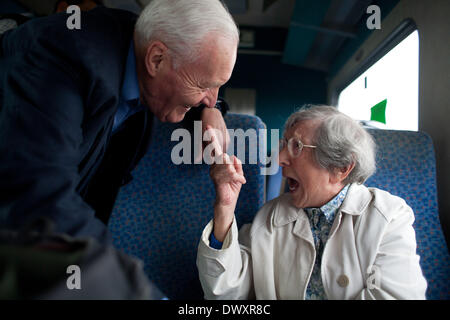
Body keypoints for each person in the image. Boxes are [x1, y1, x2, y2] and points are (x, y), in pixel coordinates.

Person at [0, 0, 239, 243]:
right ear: (156, 60)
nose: (211, 100)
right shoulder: (62, 58)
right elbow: (41, 197)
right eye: (205, 85)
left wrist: (212, 110)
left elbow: (190, 75)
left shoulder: (145, 48)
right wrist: (120, 278)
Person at [197, 105, 427, 300]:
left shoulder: (389, 217)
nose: (279, 159)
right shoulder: (270, 217)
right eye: (284, 143)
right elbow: (227, 293)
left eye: (296, 146)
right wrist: (225, 207)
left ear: (340, 167)